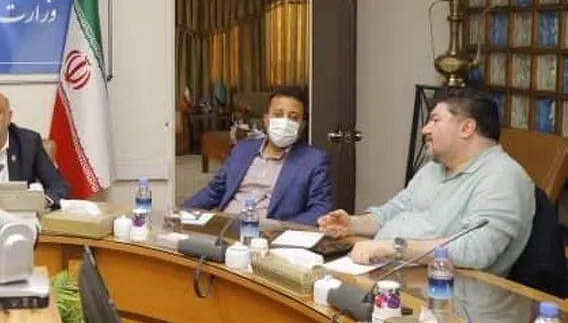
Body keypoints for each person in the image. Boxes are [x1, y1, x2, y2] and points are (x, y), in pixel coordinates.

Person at [318, 87, 534, 275]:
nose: (425, 129)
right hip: (388, 271)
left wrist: (394, 248)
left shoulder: (502, 177)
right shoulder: (434, 168)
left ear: (467, 128)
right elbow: (393, 211)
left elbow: (476, 250)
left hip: (446, 289)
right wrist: (353, 224)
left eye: (435, 120)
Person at [183, 87, 332, 224]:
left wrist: (280, 229)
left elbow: (320, 210)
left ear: (302, 125)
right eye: (278, 115)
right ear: (266, 120)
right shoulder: (242, 149)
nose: (285, 122)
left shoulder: (314, 161)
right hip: (226, 229)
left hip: (267, 236)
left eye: (293, 117)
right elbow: (214, 190)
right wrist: (182, 213)